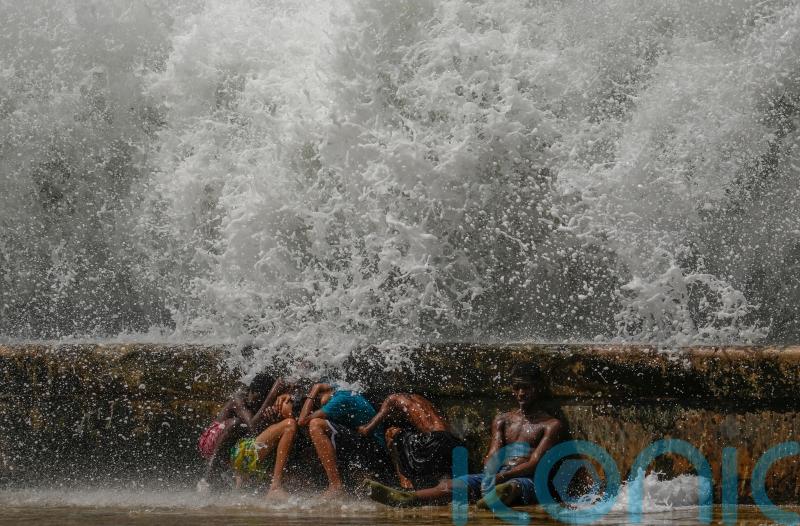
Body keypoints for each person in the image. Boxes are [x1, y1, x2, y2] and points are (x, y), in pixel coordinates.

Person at [366, 362, 563, 508]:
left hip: (528, 479)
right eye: (516, 387)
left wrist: (502, 476)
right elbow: (493, 452)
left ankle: (498, 497)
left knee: (514, 487)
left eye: (526, 387)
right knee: (452, 485)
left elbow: (535, 462)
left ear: (537, 389)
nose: (520, 393)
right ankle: (406, 497)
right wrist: (490, 472)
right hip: (497, 475)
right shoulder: (503, 420)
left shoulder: (550, 425)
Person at [196, 373, 290, 492]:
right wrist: (271, 396)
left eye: (263, 398)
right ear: (250, 391)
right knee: (236, 422)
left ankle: (231, 481)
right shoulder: (239, 399)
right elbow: (252, 426)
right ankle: (209, 477)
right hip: (211, 440)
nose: (257, 401)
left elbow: (255, 432)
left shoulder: (260, 403)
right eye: (257, 396)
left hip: (233, 444)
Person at [357, 393, 464, 489]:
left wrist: (357, 428)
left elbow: (367, 430)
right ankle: (445, 486)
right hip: (452, 441)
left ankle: (406, 486)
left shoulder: (391, 399)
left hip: (433, 440)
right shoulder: (420, 399)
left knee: (391, 432)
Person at [297, 382, 387, 497]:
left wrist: (315, 389)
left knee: (315, 424)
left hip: (374, 449)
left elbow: (302, 421)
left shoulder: (340, 398)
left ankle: (336, 486)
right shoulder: (343, 391)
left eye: (317, 399)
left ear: (324, 391)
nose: (319, 405)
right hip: (369, 445)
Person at [228, 392, 299, 499]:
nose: (297, 415)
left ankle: (242, 483)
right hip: (243, 453)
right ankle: (275, 487)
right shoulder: (275, 408)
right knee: (290, 424)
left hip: (254, 461)